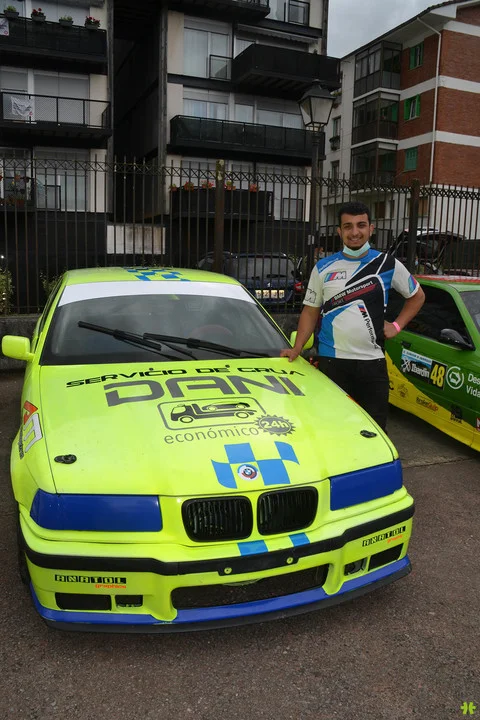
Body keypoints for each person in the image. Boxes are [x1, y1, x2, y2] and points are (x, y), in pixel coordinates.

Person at [280, 201, 425, 431]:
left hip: (372, 364)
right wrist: (297, 348)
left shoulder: (387, 264)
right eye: (348, 226)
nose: (355, 232)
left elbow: (417, 296)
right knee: (332, 429)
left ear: (371, 229)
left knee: (373, 432)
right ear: (339, 231)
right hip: (332, 363)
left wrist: (397, 326)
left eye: (361, 225)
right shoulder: (323, 267)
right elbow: (310, 310)